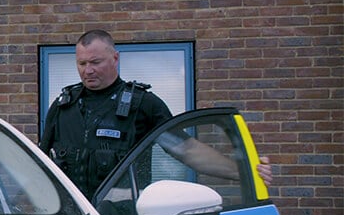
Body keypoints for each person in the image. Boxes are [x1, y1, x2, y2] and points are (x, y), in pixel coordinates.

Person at [40, 30, 272, 199]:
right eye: (81, 63)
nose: (87, 70)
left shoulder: (143, 105)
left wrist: (245, 173)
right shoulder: (63, 106)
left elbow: (187, 149)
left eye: (95, 62)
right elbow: (40, 163)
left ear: (115, 58)